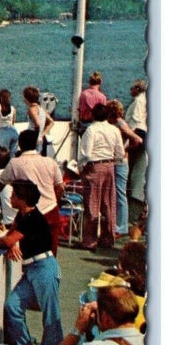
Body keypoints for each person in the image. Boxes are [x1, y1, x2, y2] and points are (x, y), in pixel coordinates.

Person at [0, 180, 63, 345]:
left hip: (44, 268)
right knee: (12, 306)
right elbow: (12, 237)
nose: (10, 199)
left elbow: (8, 240)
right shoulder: (22, 217)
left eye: (13, 196)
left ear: (22, 199)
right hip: (31, 270)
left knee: (51, 315)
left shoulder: (32, 218)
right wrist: (10, 243)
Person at [0, 130, 63, 255]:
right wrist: (54, 202)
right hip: (51, 211)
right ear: (36, 143)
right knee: (51, 252)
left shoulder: (15, 163)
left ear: (20, 145)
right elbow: (60, 188)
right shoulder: (50, 162)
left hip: (29, 214)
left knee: (28, 252)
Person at [78, 103, 124, 252]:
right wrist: (114, 161)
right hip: (110, 166)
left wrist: (80, 167)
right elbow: (120, 152)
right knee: (108, 204)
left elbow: (86, 153)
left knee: (92, 204)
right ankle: (107, 237)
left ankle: (90, 240)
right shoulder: (114, 130)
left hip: (94, 166)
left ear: (93, 115)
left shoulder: (91, 130)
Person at [104, 100, 143, 236]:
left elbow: (137, 139)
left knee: (120, 193)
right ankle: (116, 223)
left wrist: (125, 149)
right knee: (115, 193)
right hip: (116, 161)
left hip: (120, 162)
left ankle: (121, 226)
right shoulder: (115, 123)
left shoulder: (120, 124)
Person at [124, 79, 147, 226]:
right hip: (138, 135)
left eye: (132, 88)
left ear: (137, 89)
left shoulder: (139, 101)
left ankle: (133, 211)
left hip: (136, 135)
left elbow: (137, 122)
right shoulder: (143, 100)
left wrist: (127, 144)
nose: (130, 90)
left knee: (131, 173)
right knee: (131, 174)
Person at [23, 85, 53, 153]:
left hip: (33, 138)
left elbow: (37, 123)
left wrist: (36, 137)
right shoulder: (41, 108)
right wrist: (42, 134)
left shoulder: (32, 109)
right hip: (41, 138)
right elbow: (51, 122)